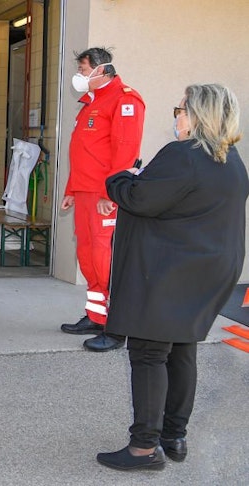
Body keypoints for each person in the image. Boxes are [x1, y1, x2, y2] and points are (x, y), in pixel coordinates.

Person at [96, 84, 246, 471]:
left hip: (167, 270)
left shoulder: (184, 155)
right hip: (208, 270)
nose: (176, 116)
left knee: (148, 353)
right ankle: (173, 436)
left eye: (179, 108)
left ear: (196, 114)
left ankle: (144, 448)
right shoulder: (232, 161)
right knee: (181, 350)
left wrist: (121, 178)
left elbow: (139, 197)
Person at [59, 47, 145, 352]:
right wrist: (71, 189)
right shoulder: (91, 103)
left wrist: (112, 194)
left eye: (83, 70)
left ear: (102, 70)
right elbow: (81, 152)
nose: (80, 76)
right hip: (84, 192)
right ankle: (96, 315)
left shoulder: (124, 99)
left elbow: (126, 152)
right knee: (87, 254)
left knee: (104, 257)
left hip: (103, 195)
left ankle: (116, 326)